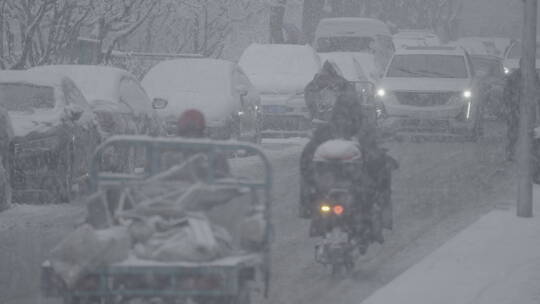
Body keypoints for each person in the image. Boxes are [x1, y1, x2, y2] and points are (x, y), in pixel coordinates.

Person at [503, 67, 522, 161]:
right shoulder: (513, 77)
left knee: (513, 132)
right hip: (515, 109)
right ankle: (511, 153)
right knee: (513, 132)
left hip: (523, 109)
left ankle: (512, 152)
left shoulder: (533, 76)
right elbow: (506, 93)